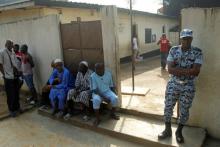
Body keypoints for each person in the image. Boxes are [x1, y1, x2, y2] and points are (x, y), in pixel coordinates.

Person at [158, 29, 203, 143]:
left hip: (188, 86)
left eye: (188, 39)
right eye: (184, 39)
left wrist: (177, 70)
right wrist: (188, 70)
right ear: (181, 39)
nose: (186, 41)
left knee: (184, 111)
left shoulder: (197, 52)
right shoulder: (173, 50)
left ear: (191, 39)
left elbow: (196, 71)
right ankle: (167, 130)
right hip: (173, 84)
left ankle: (179, 132)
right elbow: (170, 69)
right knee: (168, 107)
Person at [0, 40, 22, 117]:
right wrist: (5, 75)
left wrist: (19, 71)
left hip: (15, 76)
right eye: (8, 44)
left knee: (16, 93)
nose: (10, 45)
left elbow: (15, 63)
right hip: (8, 77)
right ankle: (12, 110)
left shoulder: (12, 52)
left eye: (11, 44)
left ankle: (17, 107)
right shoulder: (2, 52)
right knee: (10, 94)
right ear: (6, 44)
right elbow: (0, 65)